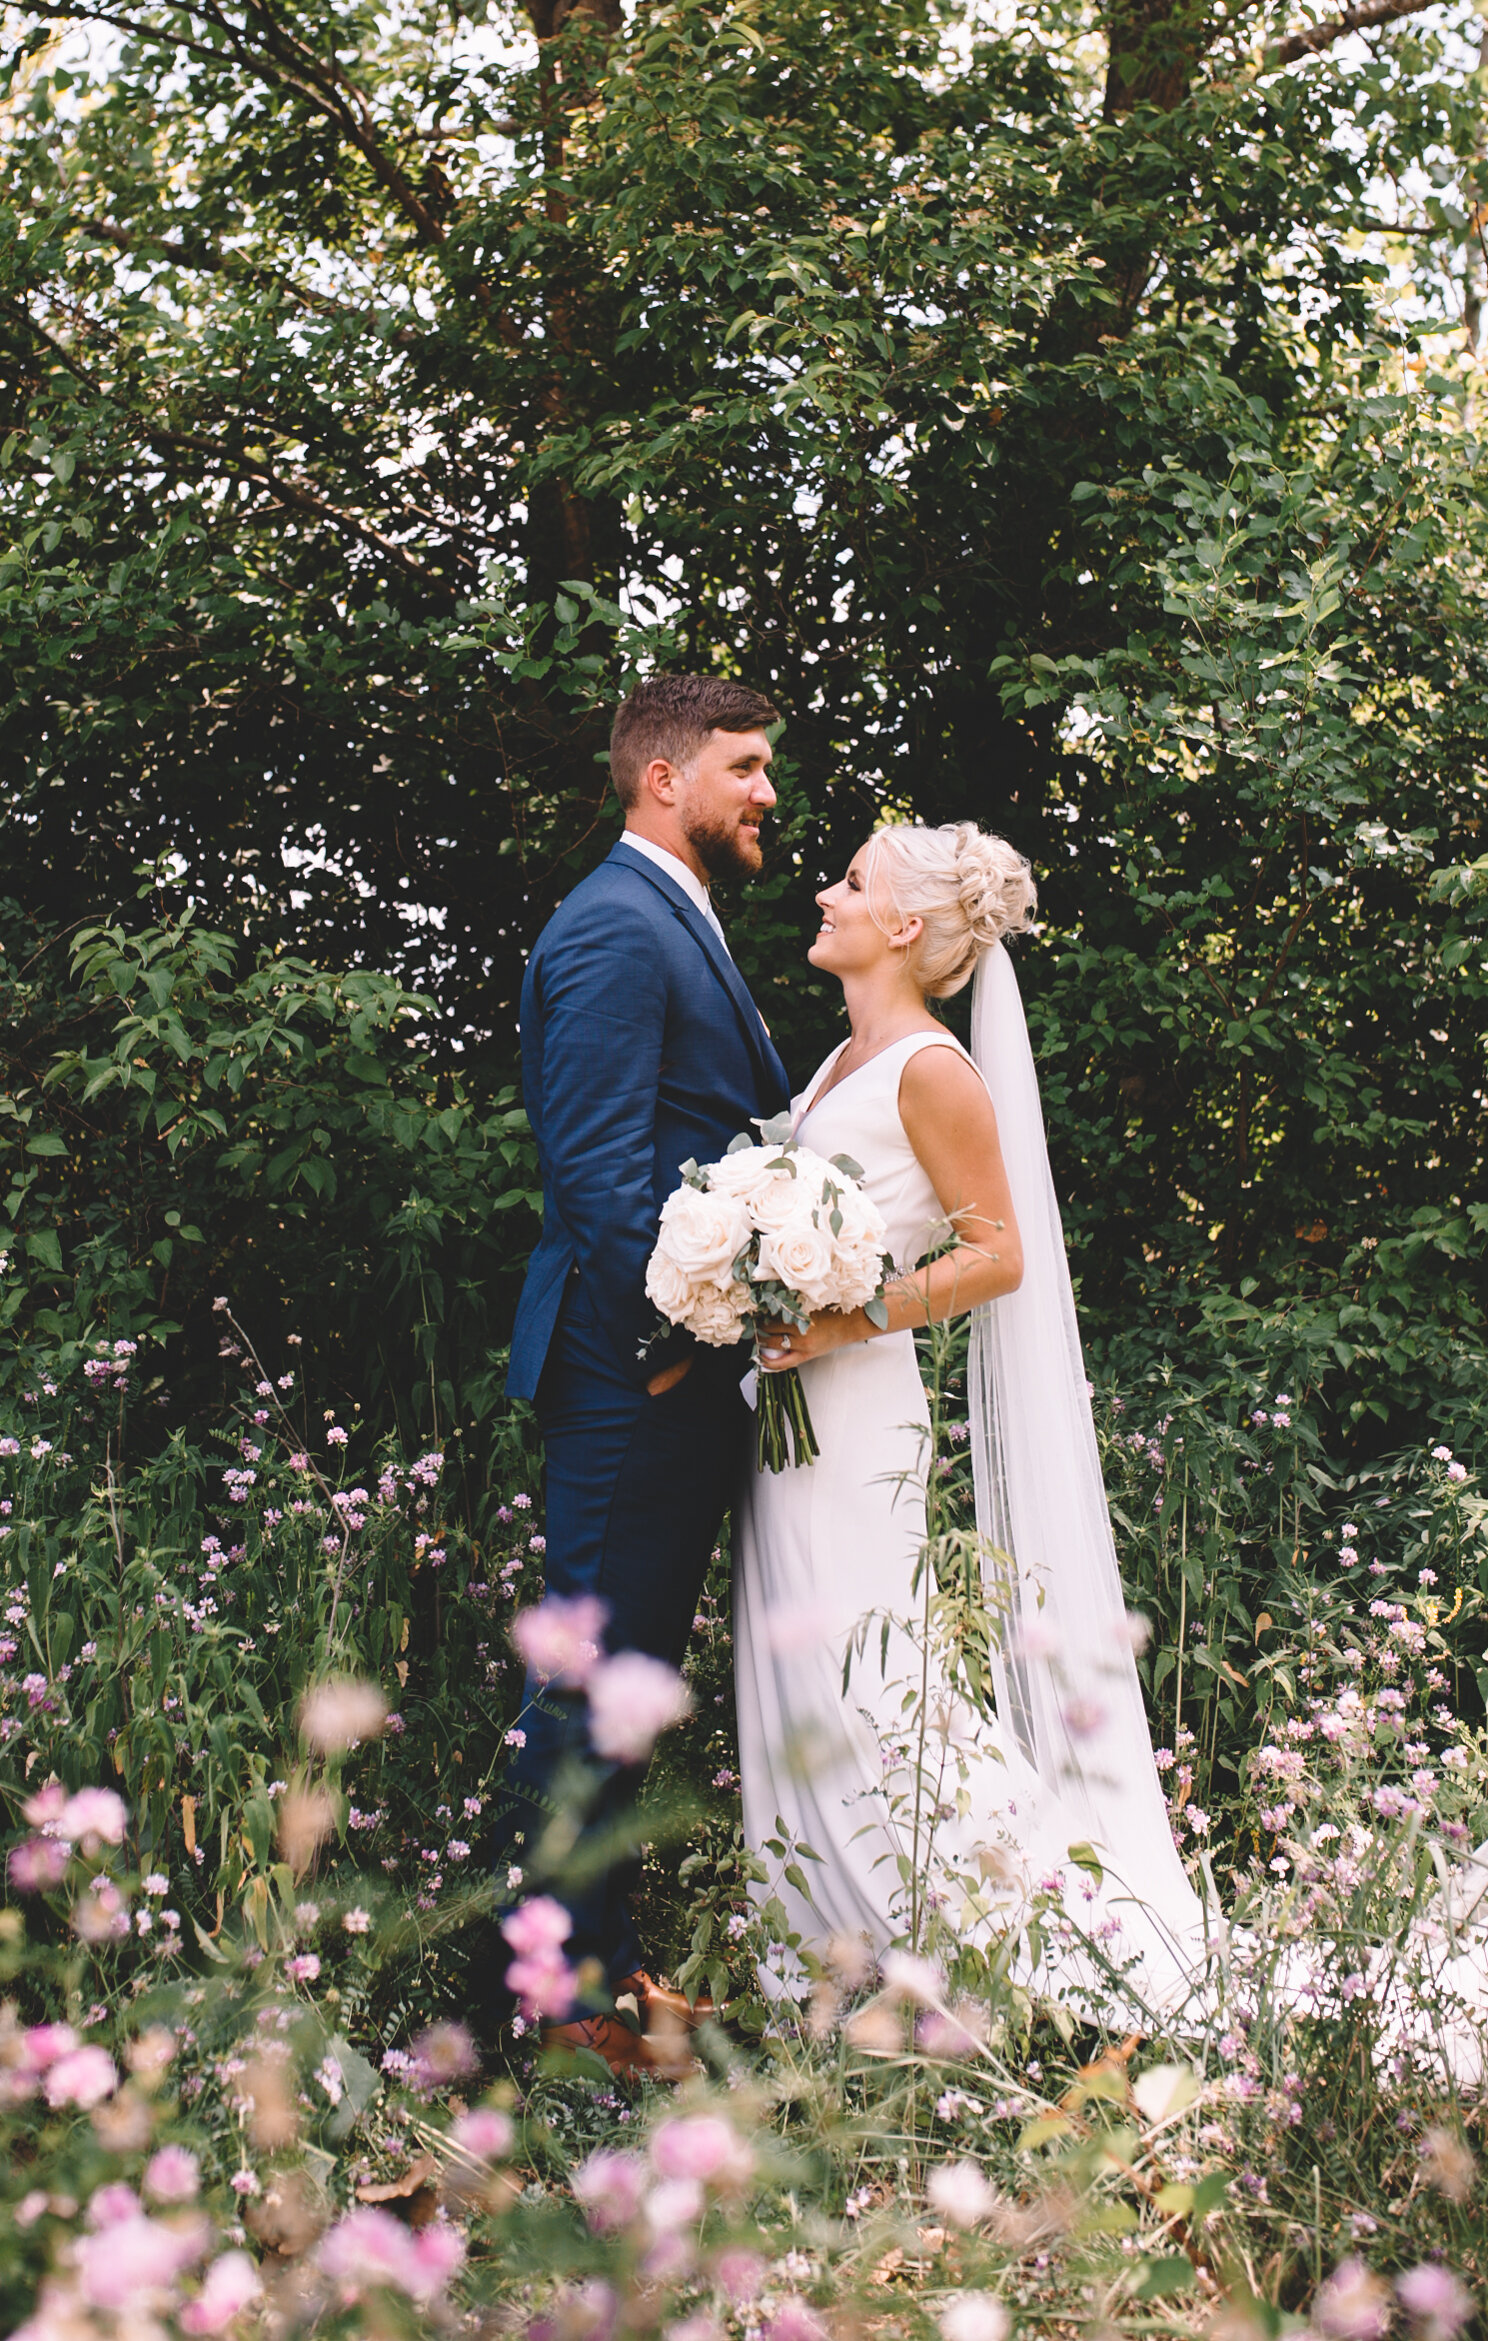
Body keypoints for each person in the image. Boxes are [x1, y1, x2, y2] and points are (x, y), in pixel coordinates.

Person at [733, 819, 1214, 2004]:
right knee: (800, 1671)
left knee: (873, 1685)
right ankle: (830, 1962)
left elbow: (997, 1255)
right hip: (790, 1415)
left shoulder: (931, 1070)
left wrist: (852, 1318)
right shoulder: (841, 1062)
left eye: (849, 881)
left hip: (852, 1415)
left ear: (902, 926)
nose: (824, 892)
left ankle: (1020, 1946)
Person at [489, 673, 789, 2074]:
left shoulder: (675, 915)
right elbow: (599, 1174)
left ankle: (597, 1974)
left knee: (627, 1683)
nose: (766, 791)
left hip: (665, 1374)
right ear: (663, 776)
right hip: (630, 1375)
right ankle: (548, 2015)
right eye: (745, 764)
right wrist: (672, 1351)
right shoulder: (613, 926)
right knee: (588, 1683)